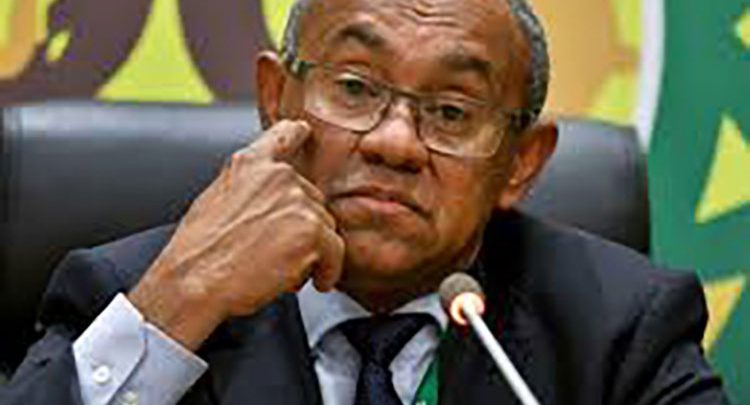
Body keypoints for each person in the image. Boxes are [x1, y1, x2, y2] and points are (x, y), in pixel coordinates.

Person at [2, 0, 728, 404]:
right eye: (354, 88)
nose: (394, 142)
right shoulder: (133, 290)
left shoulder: (619, 328)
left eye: (451, 111)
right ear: (274, 99)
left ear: (521, 164)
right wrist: (174, 306)